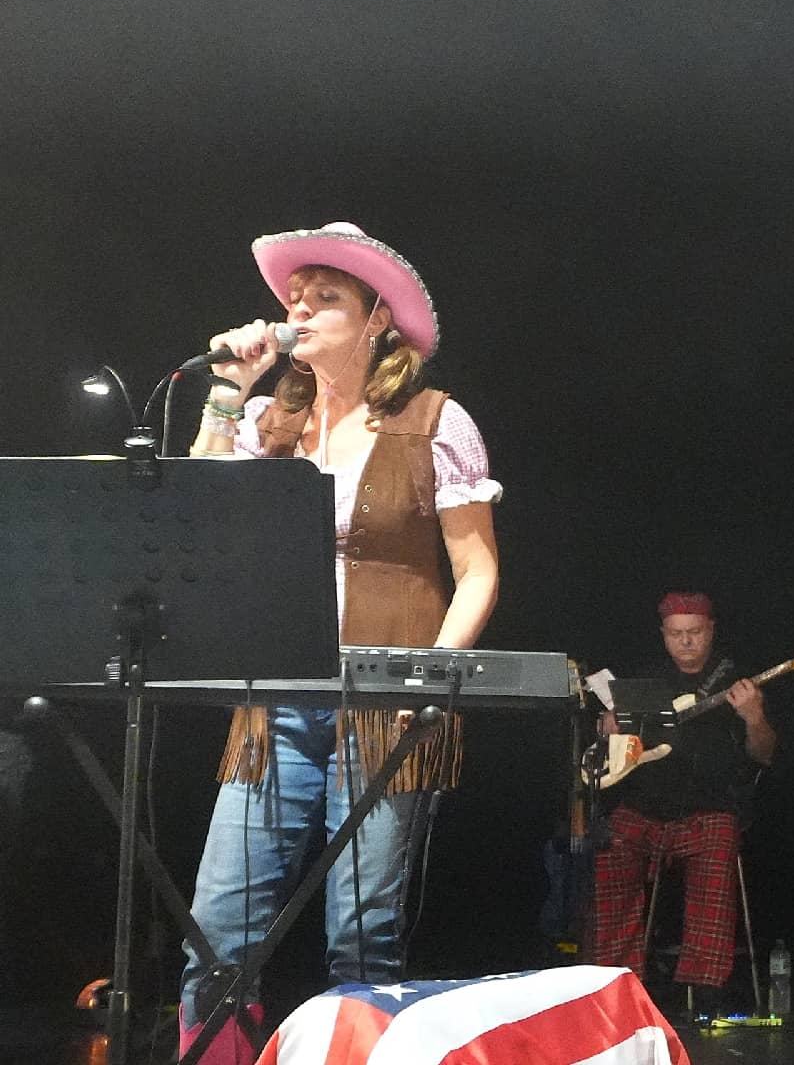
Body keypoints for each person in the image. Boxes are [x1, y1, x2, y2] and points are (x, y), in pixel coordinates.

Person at [179, 222, 501, 1064]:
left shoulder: (436, 420)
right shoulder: (268, 420)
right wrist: (224, 393)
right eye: (296, 298)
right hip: (275, 705)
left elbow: (477, 571)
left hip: (387, 708)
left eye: (328, 298)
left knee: (362, 936)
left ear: (377, 322)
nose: (302, 311)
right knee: (217, 936)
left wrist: (432, 679)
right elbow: (194, 520)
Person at [588, 591, 775, 1020]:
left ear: (711, 630)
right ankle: (612, 986)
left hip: (710, 807)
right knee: (609, 845)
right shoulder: (646, 680)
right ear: (664, 635)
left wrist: (754, 718)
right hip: (645, 805)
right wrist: (608, 727)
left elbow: (764, 755)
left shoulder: (738, 680)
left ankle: (706, 992)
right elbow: (617, 750)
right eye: (677, 634)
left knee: (718, 846)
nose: (686, 643)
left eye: (694, 633)